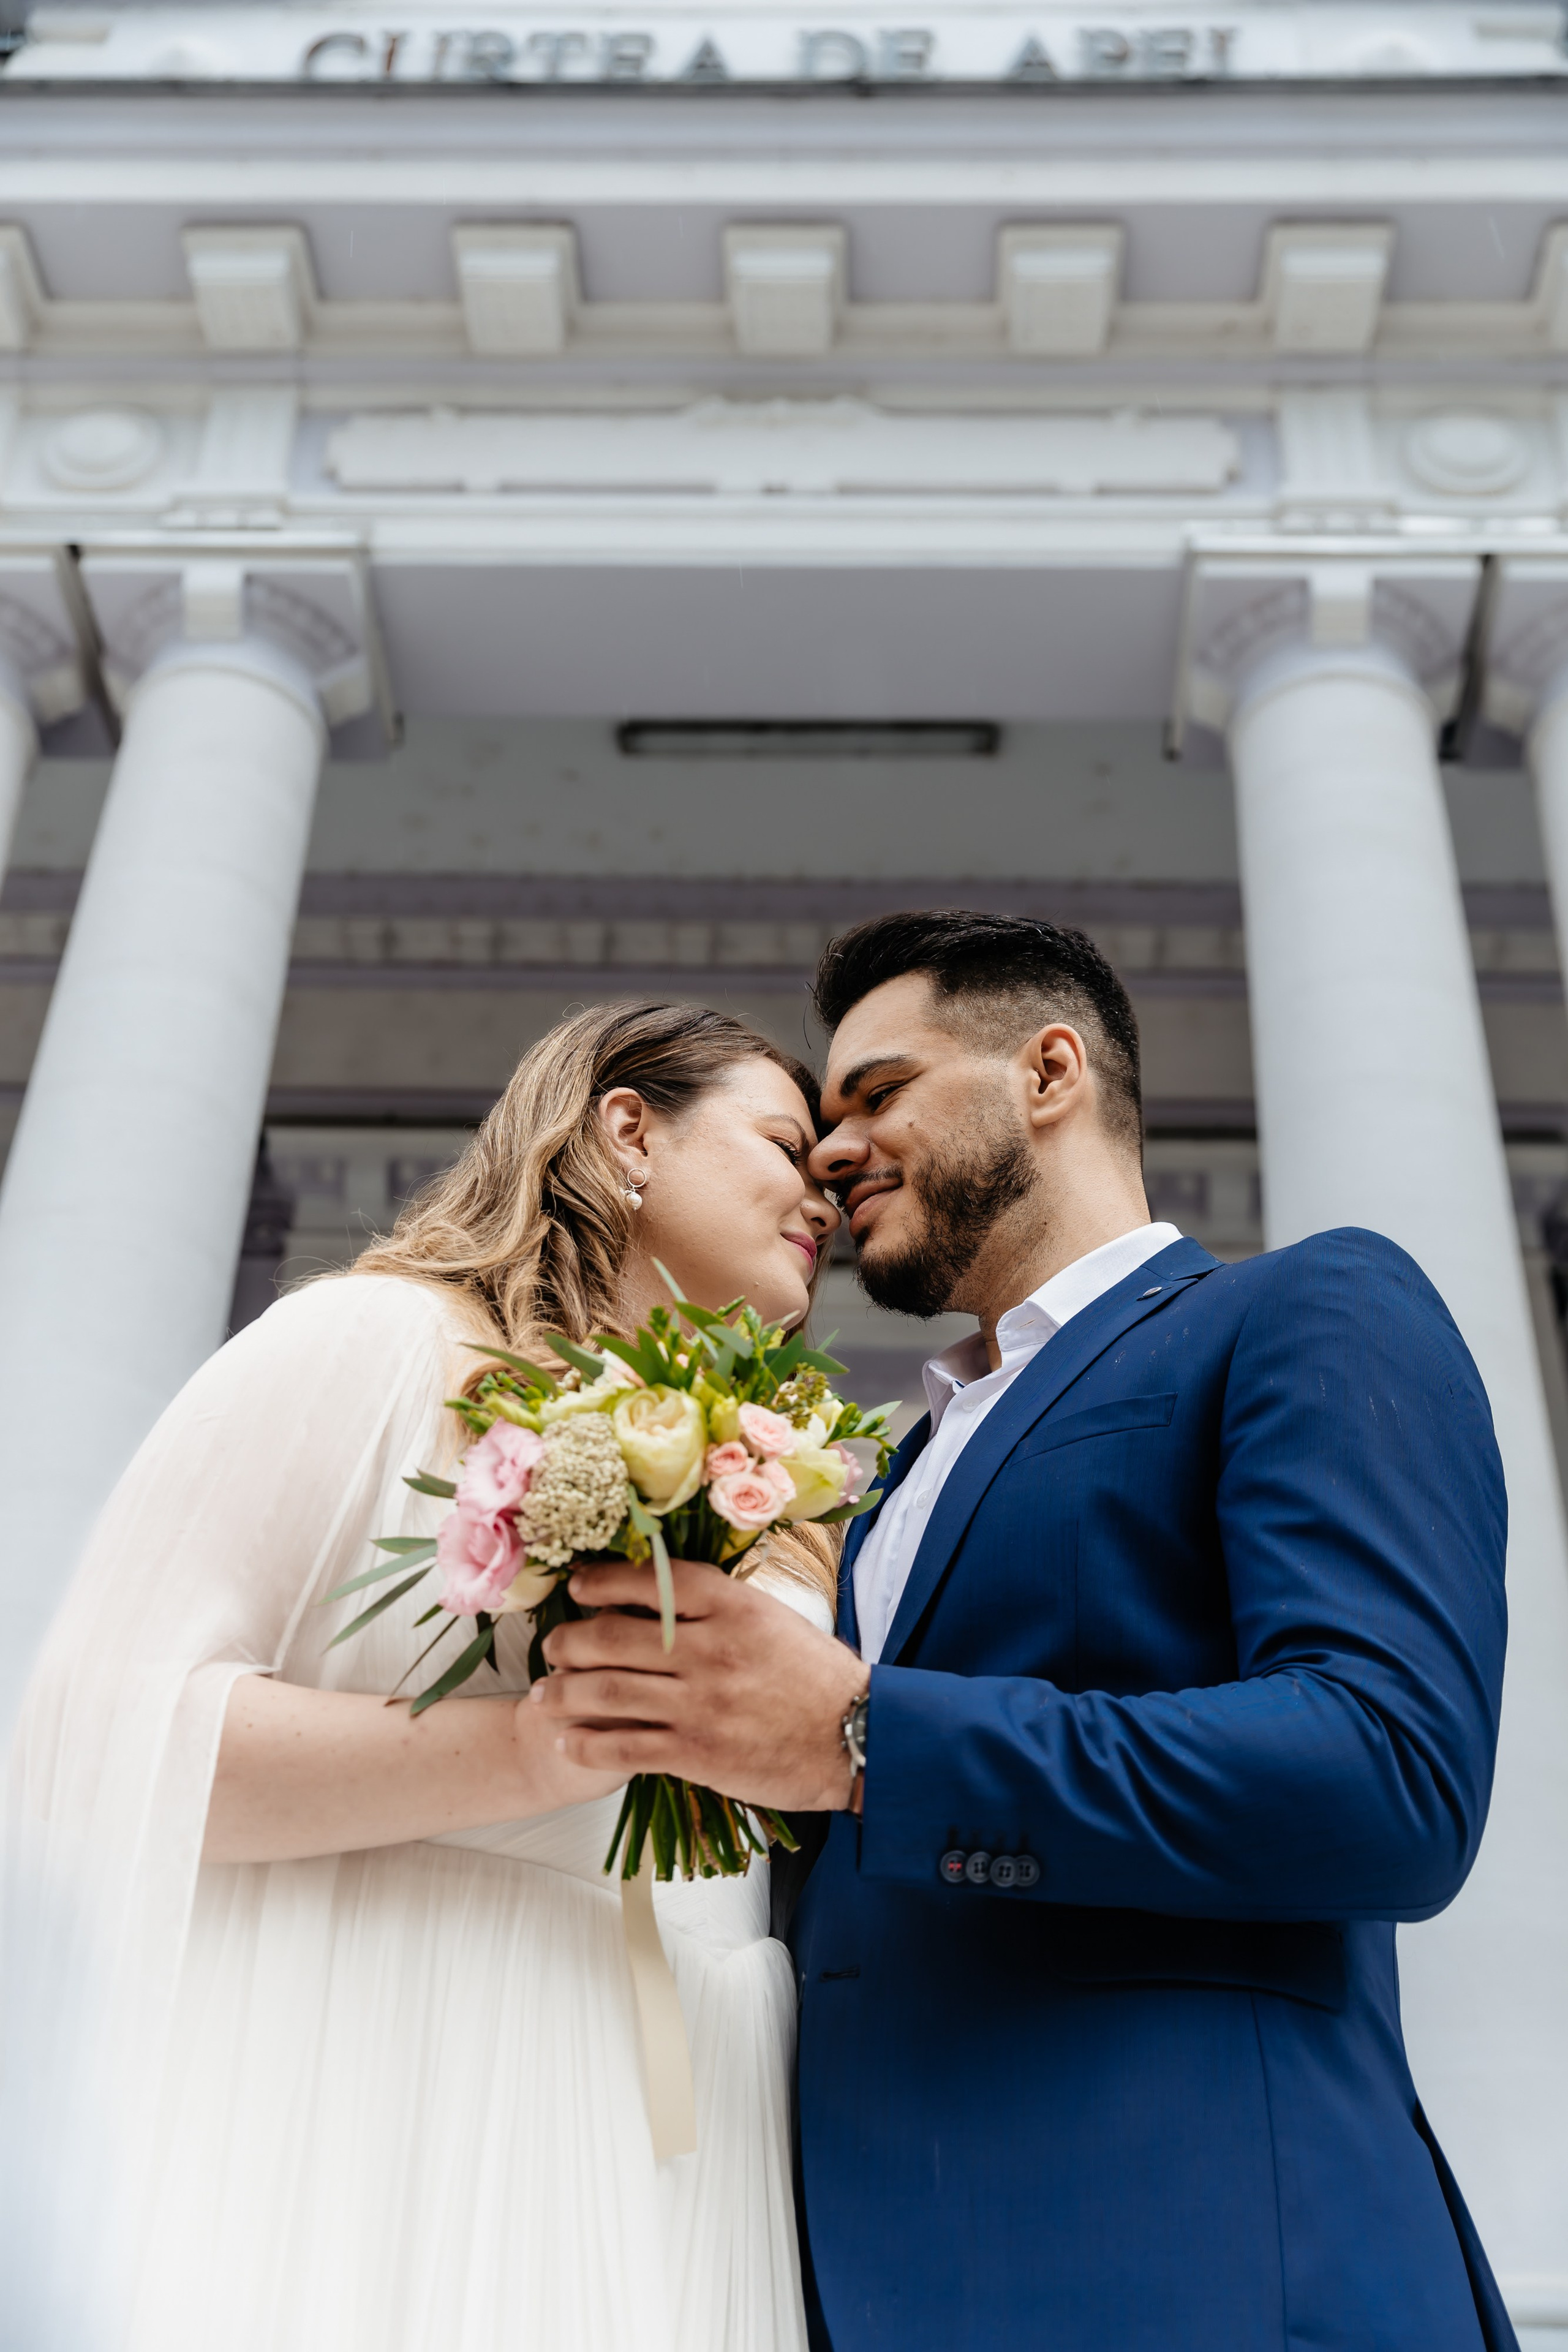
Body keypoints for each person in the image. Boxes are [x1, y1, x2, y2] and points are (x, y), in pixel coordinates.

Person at [540, 911, 1519, 2352]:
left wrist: (864, 1736)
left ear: (1047, 1071)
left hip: (1211, 2277)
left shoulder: (1300, 1309)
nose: (827, 1148)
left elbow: (1386, 1775)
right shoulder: (868, 1494)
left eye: (876, 1092)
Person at [3, 1000, 840, 2352]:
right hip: (378, 2067)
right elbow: (91, 1736)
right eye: (784, 1141)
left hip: (670, 2107)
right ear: (627, 1126)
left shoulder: (790, 1494)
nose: (828, 1193)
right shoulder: (373, 1342)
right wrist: (525, 1751)